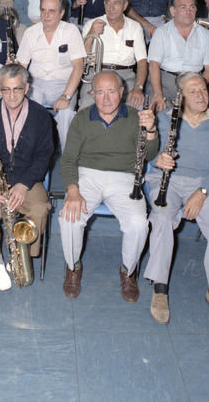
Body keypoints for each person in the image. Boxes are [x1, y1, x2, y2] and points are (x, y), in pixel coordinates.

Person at [144, 72, 209, 328]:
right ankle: (160, 289)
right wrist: (158, 159)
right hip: (169, 179)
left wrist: (202, 192)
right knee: (162, 218)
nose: (201, 95)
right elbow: (150, 153)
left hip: (205, 183)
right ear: (181, 97)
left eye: (204, 90)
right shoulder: (164, 118)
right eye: (193, 91)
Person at [59, 71, 158, 302]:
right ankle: (73, 266)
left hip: (124, 177)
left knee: (139, 224)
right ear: (93, 94)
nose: (105, 99)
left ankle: (128, 271)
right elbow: (68, 159)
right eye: (100, 92)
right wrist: (72, 190)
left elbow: (150, 155)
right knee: (69, 218)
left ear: (121, 92)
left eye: (111, 92)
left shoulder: (136, 117)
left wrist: (151, 130)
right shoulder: (81, 118)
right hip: (87, 174)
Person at [0, 64, 54, 290]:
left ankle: (22, 253)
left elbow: (44, 156)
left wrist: (24, 185)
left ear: (26, 88)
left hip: (27, 179)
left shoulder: (41, 115)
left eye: (17, 89)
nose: (12, 96)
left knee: (39, 209)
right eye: (6, 89)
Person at [16, 0, 85, 150]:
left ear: (61, 13)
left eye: (52, 11)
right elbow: (21, 66)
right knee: (25, 111)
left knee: (67, 114)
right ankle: (28, 156)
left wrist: (66, 96)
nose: (46, 15)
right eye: (43, 10)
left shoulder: (71, 31)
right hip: (35, 84)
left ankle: (67, 158)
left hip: (63, 85)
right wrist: (20, 91)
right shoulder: (30, 32)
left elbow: (78, 67)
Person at [79, 0, 147, 110]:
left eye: (116, 3)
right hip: (97, 74)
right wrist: (92, 33)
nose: (111, 8)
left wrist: (138, 87)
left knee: (137, 107)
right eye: (107, 2)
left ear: (125, 5)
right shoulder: (91, 24)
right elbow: (81, 59)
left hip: (125, 78)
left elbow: (142, 62)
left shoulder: (135, 27)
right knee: (86, 107)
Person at [147, 0, 209, 112]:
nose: (189, 12)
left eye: (192, 7)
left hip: (194, 81)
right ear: (173, 11)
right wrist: (158, 94)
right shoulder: (161, 33)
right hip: (165, 82)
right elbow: (153, 66)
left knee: (207, 112)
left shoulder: (205, 35)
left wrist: (197, 87)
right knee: (160, 112)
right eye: (183, 7)